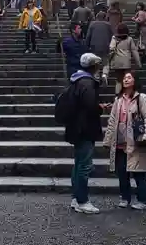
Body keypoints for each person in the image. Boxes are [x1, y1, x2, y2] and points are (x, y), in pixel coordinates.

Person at [103, 71, 146, 210]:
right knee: (122, 172)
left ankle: (143, 200)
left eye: (129, 77)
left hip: (136, 141)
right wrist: (108, 140)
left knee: (138, 172)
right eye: (124, 78)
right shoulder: (118, 100)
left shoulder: (141, 98)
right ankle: (125, 197)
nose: (126, 80)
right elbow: (112, 120)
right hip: (120, 141)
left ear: (134, 80)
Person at [65, 53, 105, 214]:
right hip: (85, 129)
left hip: (76, 127)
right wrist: (100, 108)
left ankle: (76, 197)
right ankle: (82, 200)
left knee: (79, 163)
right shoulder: (87, 83)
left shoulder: (76, 80)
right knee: (84, 166)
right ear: (93, 66)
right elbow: (90, 107)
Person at [109, 23, 141, 95]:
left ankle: (117, 95)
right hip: (126, 63)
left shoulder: (114, 38)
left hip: (117, 63)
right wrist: (138, 63)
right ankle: (127, 94)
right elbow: (134, 51)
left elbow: (111, 49)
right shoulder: (129, 39)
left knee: (118, 80)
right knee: (127, 79)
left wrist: (109, 60)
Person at [86, 11, 113, 83]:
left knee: (95, 62)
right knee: (106, 62)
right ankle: (104, 74)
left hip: (94, 46)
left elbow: (88, 36)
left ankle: (96, 76)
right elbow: (111, 36)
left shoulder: (92, 24)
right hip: (105, 46)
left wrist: (87, 45)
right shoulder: (108, 25)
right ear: (104, 17)